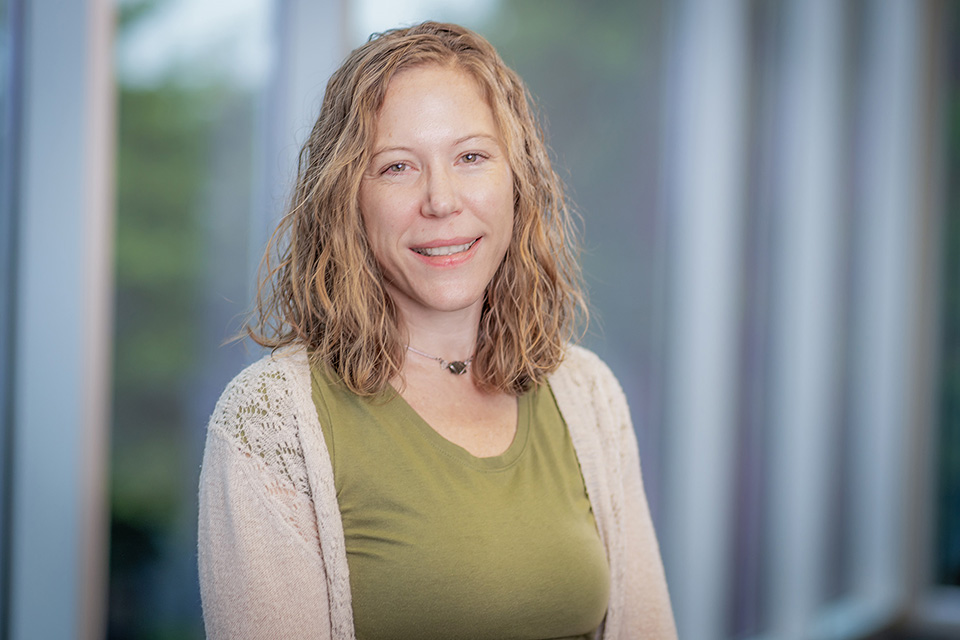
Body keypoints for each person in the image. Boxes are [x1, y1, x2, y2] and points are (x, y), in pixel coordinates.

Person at [198, 21, 676, 640]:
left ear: (516, 181)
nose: (441, 200)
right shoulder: (268, 421)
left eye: (471, 157)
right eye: (397, 167)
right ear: (349, 198)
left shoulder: (588, 394)